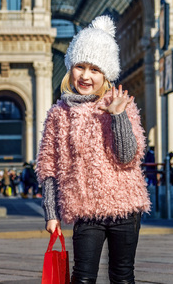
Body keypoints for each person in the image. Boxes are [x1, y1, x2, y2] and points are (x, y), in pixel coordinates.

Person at [36, 15, 150, 284]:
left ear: (106, 75)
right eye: (80, 67)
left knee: (122, 276)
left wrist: (117, 116)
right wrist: (51, 213)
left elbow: (128, 156)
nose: (86, 76)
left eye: (95, 70)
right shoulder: (58, 114)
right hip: (85, 209)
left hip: (126, 207)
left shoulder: (123, 104)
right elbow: (48, 166)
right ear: (70, 67)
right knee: (83, 277)